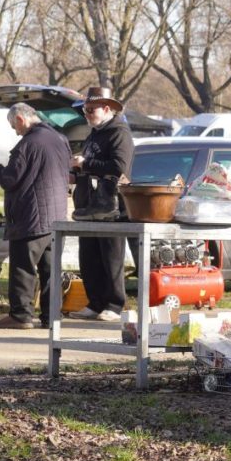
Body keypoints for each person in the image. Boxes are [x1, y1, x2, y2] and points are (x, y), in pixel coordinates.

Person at [0, 103, 71, 330]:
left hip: (31, 217)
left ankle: (21, 316)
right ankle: (52, 317)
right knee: (51, 271)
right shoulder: (60, 140)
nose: (15, 131)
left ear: (21, 120)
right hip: (57, 217)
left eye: (13, 126)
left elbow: (11, 178)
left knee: (23, 268)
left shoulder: (27, 144)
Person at [68, 85, 134, 322]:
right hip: (88, 206)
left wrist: (85, 164)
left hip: (112, 208)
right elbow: (91, 165)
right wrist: (75, 174)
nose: (87, 114)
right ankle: (95, 303)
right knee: (89, 258)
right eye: (85, 110)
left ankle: (114, 306)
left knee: (111, 259)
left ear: (106, 109)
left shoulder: (119, 133)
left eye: (91, 110)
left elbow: (119, 168)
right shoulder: (94, 133)